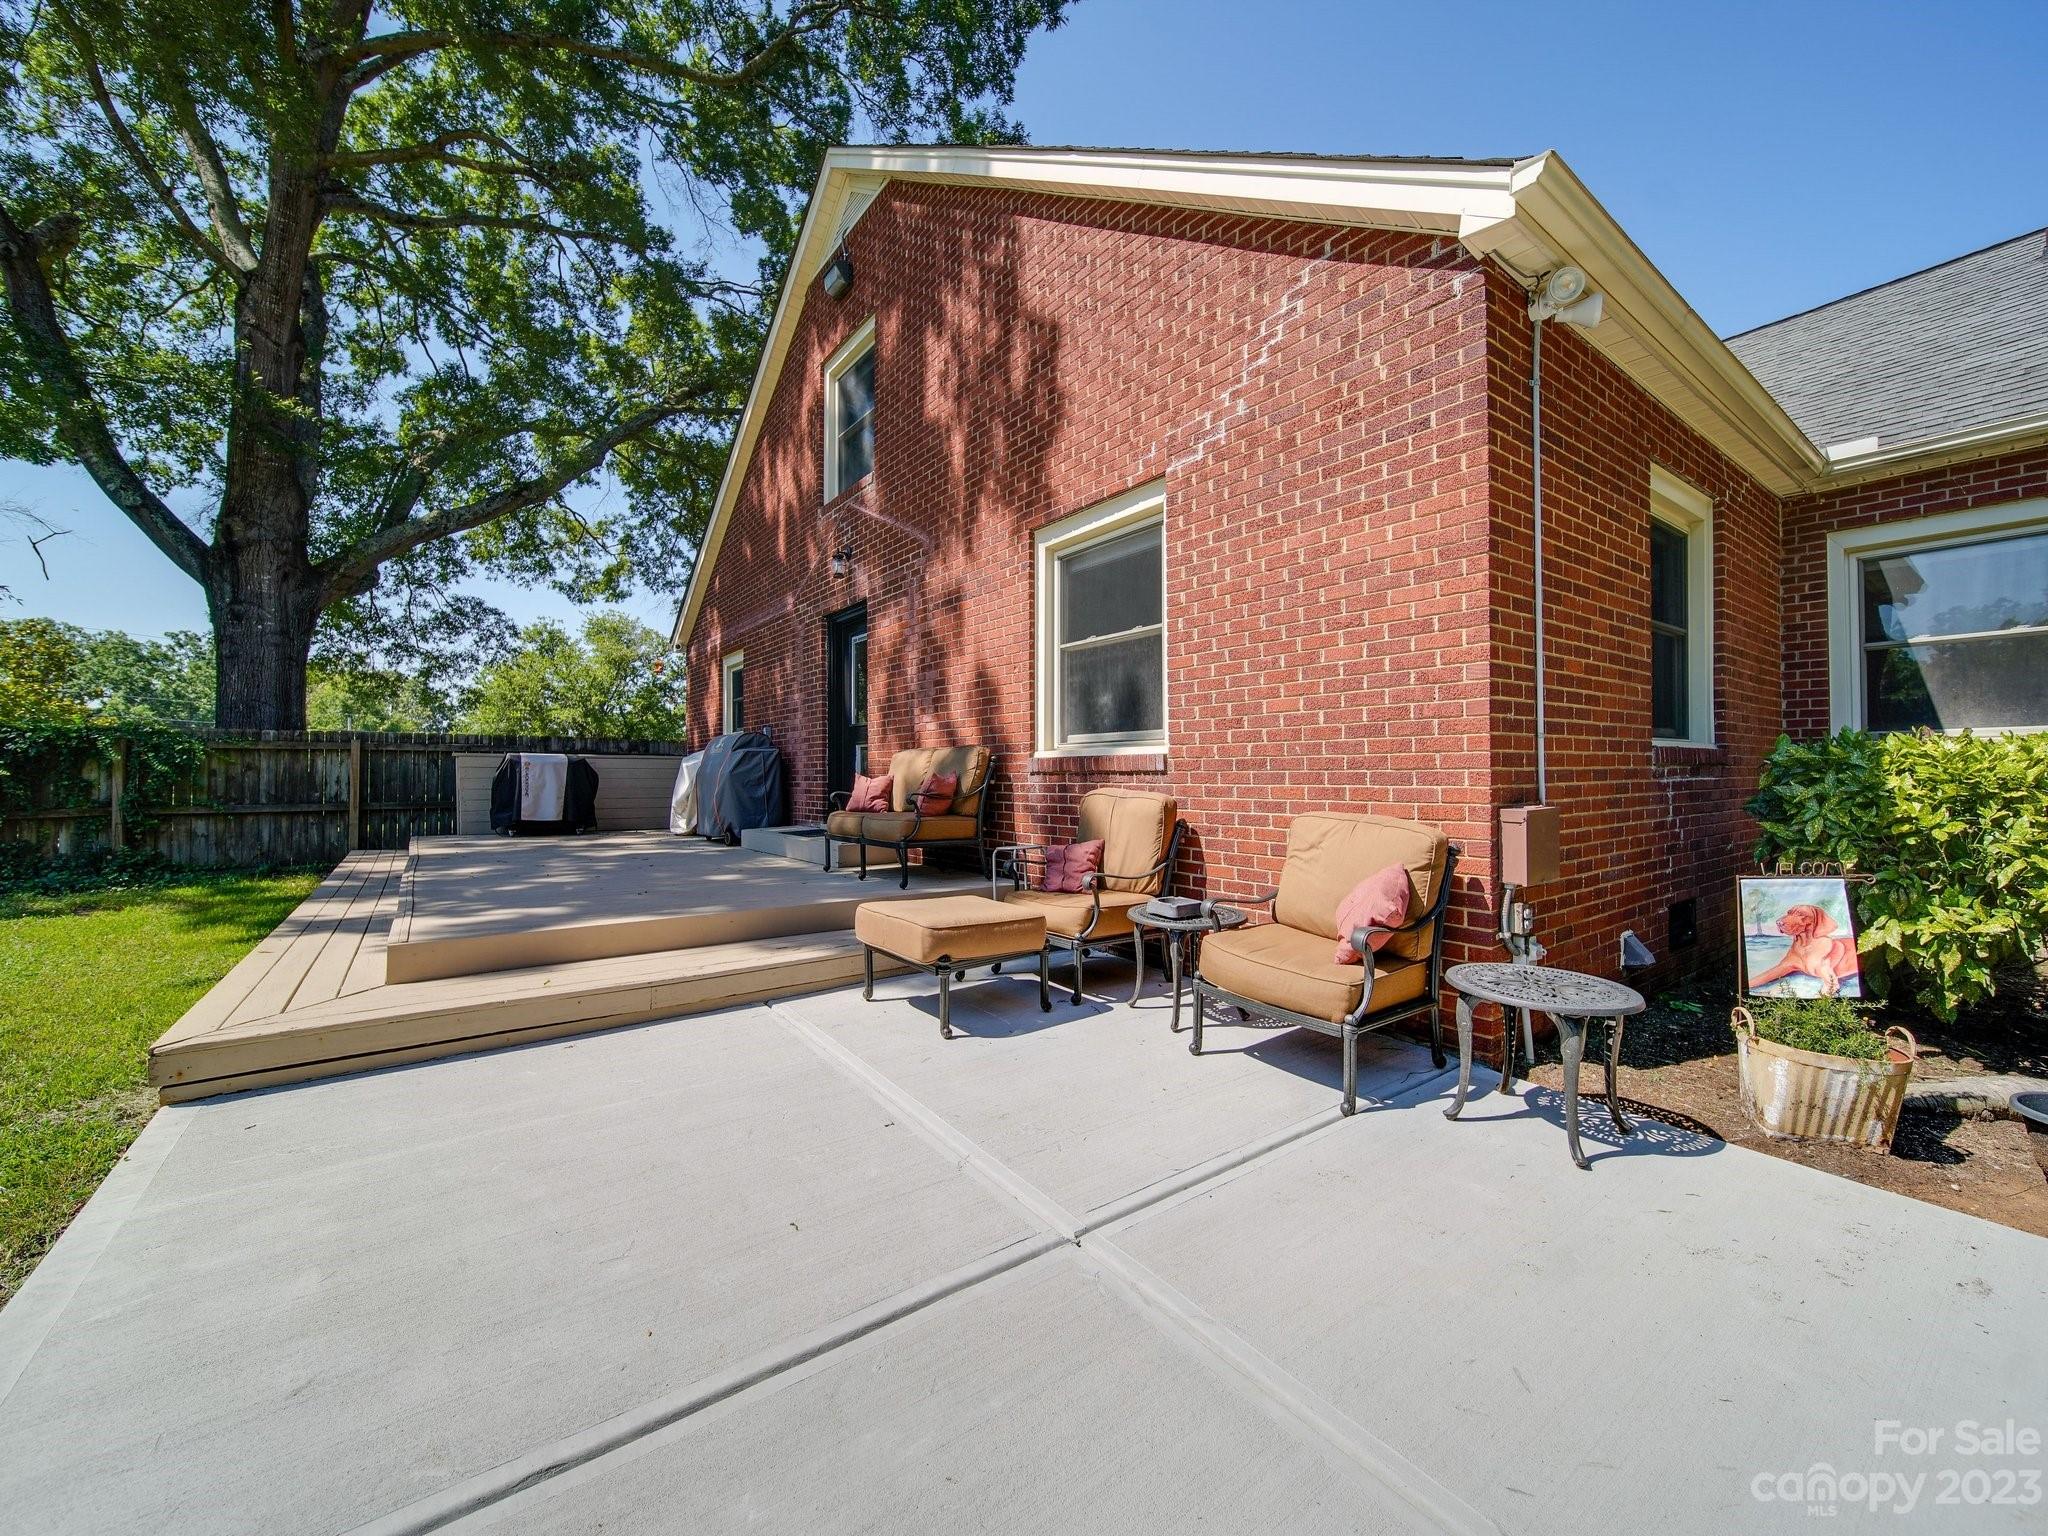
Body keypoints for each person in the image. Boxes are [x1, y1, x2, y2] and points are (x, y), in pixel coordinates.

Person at [1749, 904, 1860, 996]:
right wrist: (1747, 985)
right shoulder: (1796, 948)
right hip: (1799, 947)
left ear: (1818, 921)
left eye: (1800, 914)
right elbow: (1775, 971)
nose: (1781, 921)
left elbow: (1832, 984)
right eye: (1790, 913)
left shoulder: (1826, 948)